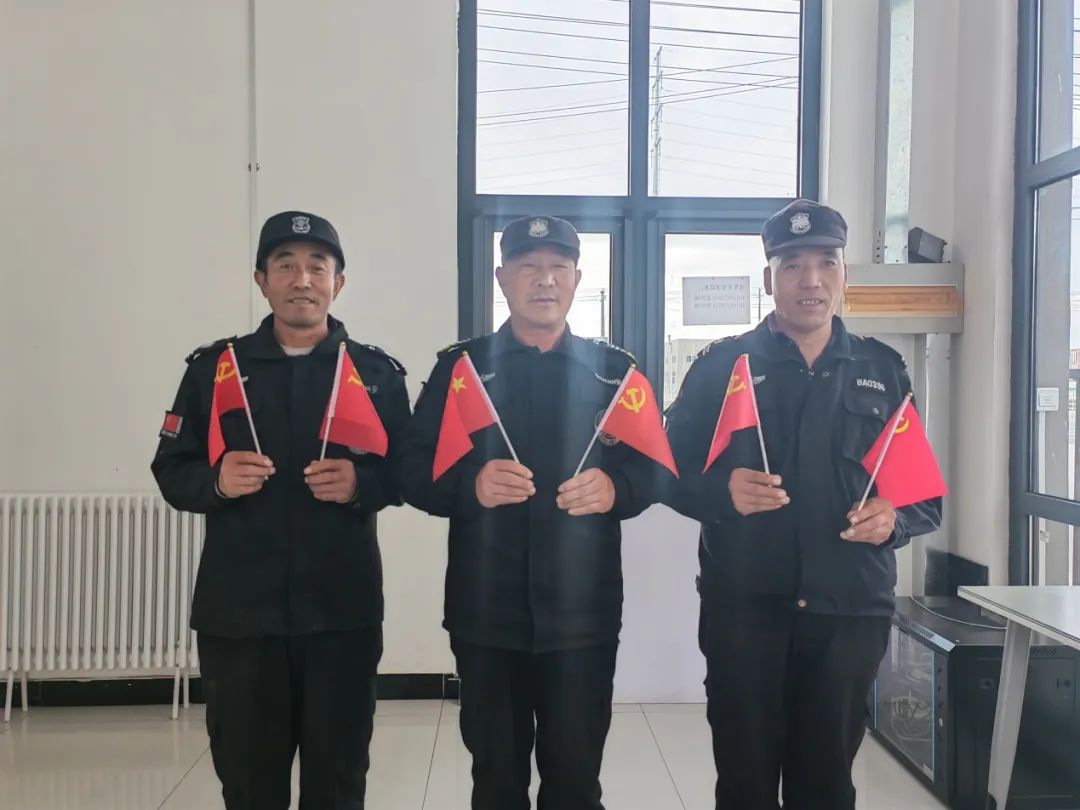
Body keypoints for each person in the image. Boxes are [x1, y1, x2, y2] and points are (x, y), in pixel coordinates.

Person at [663, 199, 943, 810]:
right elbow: (664, 470)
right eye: (791, 264)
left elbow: (921, 495)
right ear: (769, 280)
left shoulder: (883, 370)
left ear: (845, 275)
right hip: (746, 615)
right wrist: (720, 491)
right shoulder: (721, 368)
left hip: (848, 615)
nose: (809, 279)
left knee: (826, 784)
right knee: (745, 783)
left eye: (826, 263)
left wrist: (893, 519)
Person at [395, 215, 669, 810]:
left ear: (576, 279)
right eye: (528, 267)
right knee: (496, 782)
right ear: (502, 278)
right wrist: (471, 484)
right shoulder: (462, 370)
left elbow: (657, 469)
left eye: (557, 268)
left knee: (575, 783)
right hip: (486, 616)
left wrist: (616, 488)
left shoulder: (614, 373)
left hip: (583, 619)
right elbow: (410, 470)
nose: (544, 280)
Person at [152, 210, 410, 809]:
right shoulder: (215, 371)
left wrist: (361, 483)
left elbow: (412, 473)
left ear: (338, 283)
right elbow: (171, 469)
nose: (302, 279)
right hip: (240, 617)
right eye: (285, 265)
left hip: (341, 614)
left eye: (317, 266)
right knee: (249, 784)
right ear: (261, 281)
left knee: (338, 783)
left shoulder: (372, 375)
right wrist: (217, 482)